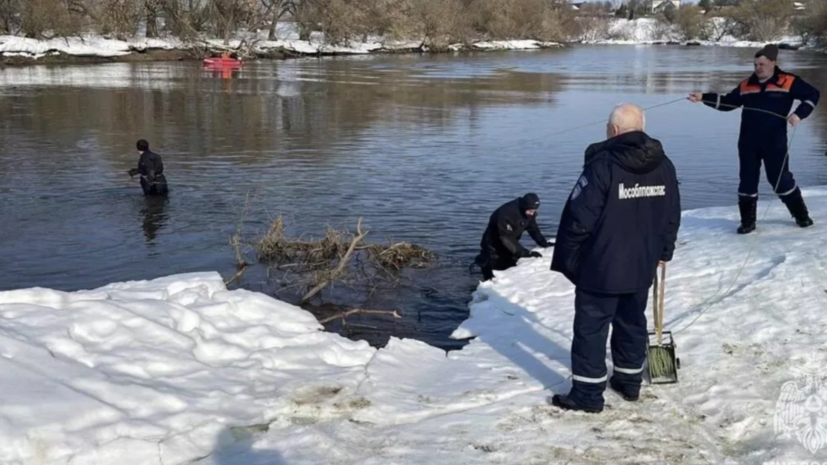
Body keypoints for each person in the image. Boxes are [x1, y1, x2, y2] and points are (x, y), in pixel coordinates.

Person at [549, 103, 681, 413]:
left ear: (613, 130)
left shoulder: (603, 165)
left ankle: (587, 394)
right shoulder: (665, 164)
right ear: (642, 128)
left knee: (591, 329)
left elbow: (578, 218)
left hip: (602, 266)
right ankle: (629, 381)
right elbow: (672, 213)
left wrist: (570, 258)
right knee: (632, 322)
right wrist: (664, 252)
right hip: (641, 264)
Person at [688, 43, 820, 234]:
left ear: (773, 63)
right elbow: (728, 103)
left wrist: (799, 114)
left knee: (780, 180)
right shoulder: (746, 84)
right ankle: (747, 222)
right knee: (747, 181)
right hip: (748, 142)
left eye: (762, 64)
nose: (758, 68)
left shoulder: (788, 81)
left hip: (775, 141)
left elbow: (813, 94)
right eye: (755, 64)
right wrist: (703, 97)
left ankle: (801, 215)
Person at [474, 193, 552, 281]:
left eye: (534, 211)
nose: (532, 213)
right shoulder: (506, 213)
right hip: (493, 245)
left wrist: (543, 243)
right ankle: (487, 283)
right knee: (491, 269)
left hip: (509, 244)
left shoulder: (529, 213)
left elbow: (533, 229)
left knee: (509, 265)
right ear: (524, 207)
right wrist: (524, 253)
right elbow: (505, 237)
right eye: (530, 211)